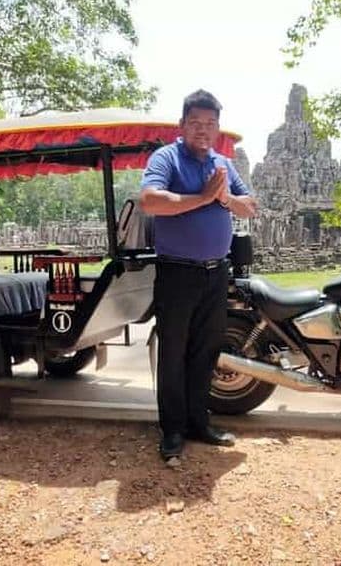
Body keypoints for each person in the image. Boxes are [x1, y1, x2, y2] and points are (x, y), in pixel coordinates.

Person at [140, 89, 257, 461]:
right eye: (196, 123)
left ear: (217, 127)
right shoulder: (167, 158)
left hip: (215, 272)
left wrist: (222, 198)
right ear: (182, 125)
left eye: (210, 124)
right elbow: (151, 201)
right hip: (177, 272)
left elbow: (249, 207)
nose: (203, 130)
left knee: (205, 353)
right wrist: (203, 199)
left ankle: (198, 422)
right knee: (173, 353)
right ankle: (172, 430)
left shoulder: (222, 164)